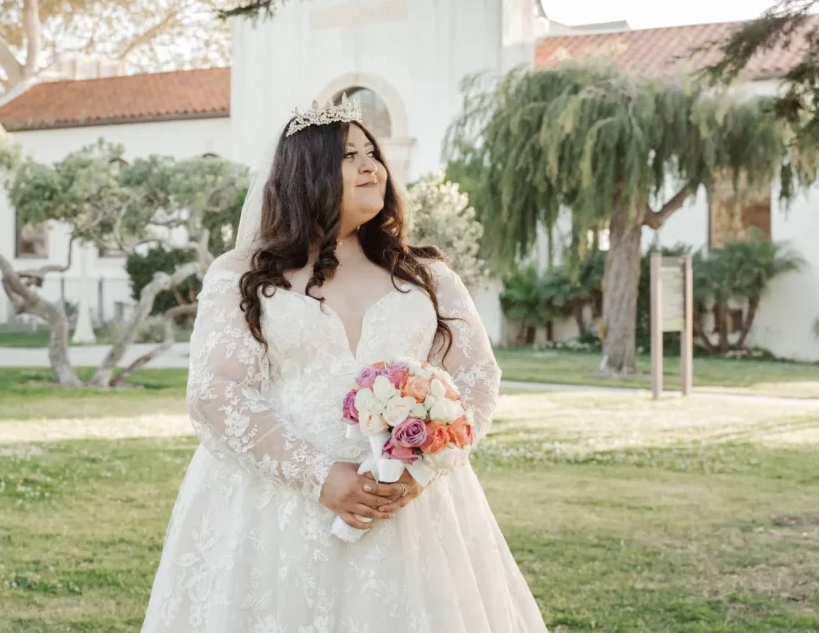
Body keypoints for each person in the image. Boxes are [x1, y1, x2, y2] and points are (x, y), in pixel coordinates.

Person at [141, 97, 548, 632]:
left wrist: (420, 471)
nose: (370, 166)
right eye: (349, 155)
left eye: (372, 153)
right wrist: (318, 477)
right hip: (277, 506)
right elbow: (217, 393)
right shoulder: (243, 273)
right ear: (305, 172)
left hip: (409, 507)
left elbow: (475, 379)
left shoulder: (426, 275)